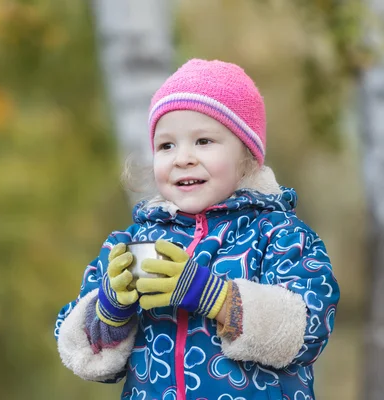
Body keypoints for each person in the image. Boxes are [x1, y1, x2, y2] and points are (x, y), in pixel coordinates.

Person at [55, 59, 339, 399]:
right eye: (166, 145)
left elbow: (308, 327)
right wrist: (110, 309)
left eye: (203, 141)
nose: (183, 158)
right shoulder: (132, 245)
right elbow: (87, 355)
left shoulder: (279, 235)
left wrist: (214, 295)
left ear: (248, 157)